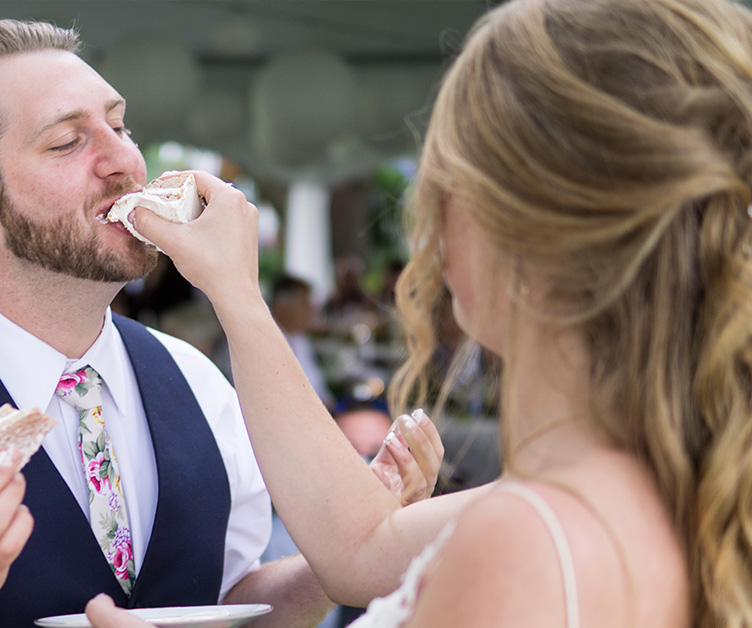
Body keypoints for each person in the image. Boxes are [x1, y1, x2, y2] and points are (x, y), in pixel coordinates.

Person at [0, 19, 445, 628]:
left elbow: (229, 597)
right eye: (67, 142)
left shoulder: (196, 382)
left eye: (118, 126)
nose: (123, 160)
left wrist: (344, 553)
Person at [90, 0, 752, 626]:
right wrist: (236, 293)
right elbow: (358, 550)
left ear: (516, 224)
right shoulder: (677, 482)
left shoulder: (524, 541)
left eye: (445, 183)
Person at [269, 275, 335, 408]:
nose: (311, 310)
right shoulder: (269, 341)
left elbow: (319, 388)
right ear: (283, 307)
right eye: (305, 303)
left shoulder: (300, 339)